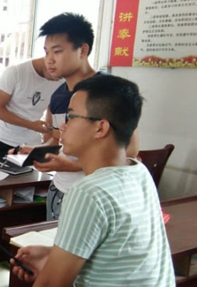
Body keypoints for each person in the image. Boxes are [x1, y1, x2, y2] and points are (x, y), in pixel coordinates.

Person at [0, 75, 179, 287]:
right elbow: (116, 247)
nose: (62, 127)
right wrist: (53, 254)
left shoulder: (90, 192)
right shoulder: (137, 171)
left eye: (71, 117)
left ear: (100, 127)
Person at [21, 13, 138, 220]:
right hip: (60, 189)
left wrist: (74, 166)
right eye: (46, 52)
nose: (49, 59)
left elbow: (130, 149)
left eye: (57, 51)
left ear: (83, 50)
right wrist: (40, 151)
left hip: (94, 195)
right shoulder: (58, 95)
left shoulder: (109, 91)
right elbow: (57, 138)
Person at [0, 57, 62, 275]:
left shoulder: (60, 78)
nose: (57, 78)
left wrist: (49, 143)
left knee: (24, 202)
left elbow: (51, 119)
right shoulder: (16, 72)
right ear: (48, 54)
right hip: (2, 143)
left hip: (31, 147)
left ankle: (13, 251)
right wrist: (32, 125)